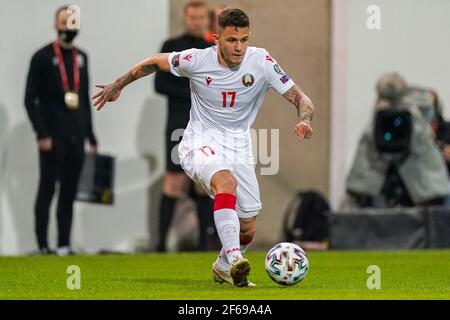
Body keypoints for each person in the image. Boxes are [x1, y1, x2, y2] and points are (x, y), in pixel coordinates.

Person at [93, 8, 314, 287]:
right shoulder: (196, 60)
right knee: (226, 182)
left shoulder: (262, 61)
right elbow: (153, 62)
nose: (239, 47)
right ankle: (235, 259)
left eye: (244, 40)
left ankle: (222, 266)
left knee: (248, 228)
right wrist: (118, 84)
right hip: (200, 140)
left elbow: (301, 98)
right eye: (232, 40)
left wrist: (304, 119)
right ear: (216, 39)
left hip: (239, 146)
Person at [24, 6, 98, 256]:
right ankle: (43, 245)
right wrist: (41, 134)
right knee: (47, 188)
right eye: (65, 22)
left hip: (76, 137)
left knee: (69, 190)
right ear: (55, 24)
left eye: (73, 22)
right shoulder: (42, 57)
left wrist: (91, 136)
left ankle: (64, 245)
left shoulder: (82, 57)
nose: (69, 27)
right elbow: (29, 99)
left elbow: (85, 100)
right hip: (52, 137)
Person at [154, 0, 214, 252]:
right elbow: (159, 84)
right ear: (185, 18)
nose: (197, 21)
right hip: (178, 124)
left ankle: (204, 245)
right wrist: (192, 90)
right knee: (174, 183)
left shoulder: (213, 48)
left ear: (206, 20)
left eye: (201, 17)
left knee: (203, 186)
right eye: (193, 17)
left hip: (207, 127)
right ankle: (159, 246)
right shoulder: (171, 47)